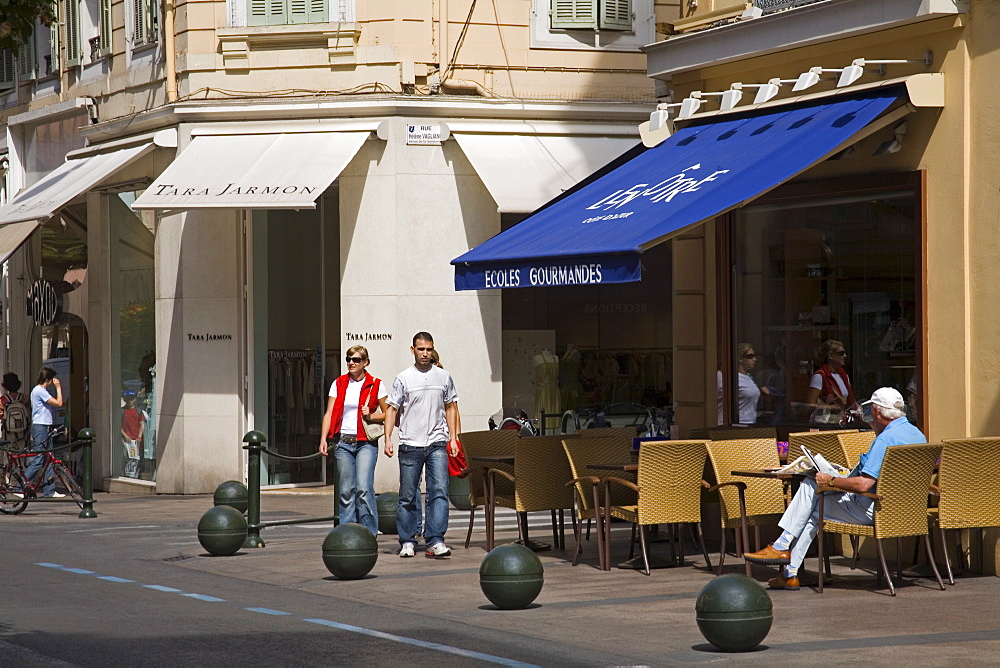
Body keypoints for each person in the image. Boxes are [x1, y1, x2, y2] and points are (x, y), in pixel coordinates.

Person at [743, 387, 926, 590]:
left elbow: (863, 484)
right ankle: (788, 570)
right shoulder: (917, 434)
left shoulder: (885, 439)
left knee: (811, 495)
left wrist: (831, 481)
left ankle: (783, 552)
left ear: (876, 411)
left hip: (874, 509)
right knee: (813, 501)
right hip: (905, 512)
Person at [384, 332, 461, 559]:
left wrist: (454, 438)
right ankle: (407, 540)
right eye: (420, 349)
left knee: (438, 492)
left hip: (437, 442)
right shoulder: (403, 378)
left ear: (433, 348)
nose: (425, 354)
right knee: (408, 495)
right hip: (410, 443)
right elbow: (391, 409)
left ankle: (435, 539)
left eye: (428, 349)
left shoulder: (444, 376)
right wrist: (388, 438)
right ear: (412, 350)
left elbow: (451, 408)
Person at [318, 345, 388, 536]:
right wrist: (324, 438)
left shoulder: (375, 384)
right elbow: (329, 412)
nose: (351, 363)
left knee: (364, 488)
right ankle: (347, 532)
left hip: (366, 443)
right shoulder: (339, 383)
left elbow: (389, 413)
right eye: (349, 359)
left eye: (356, 360)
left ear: (366, 362)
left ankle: (368, 532)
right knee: (346, 490)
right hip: (343, 443)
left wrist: (372, 415)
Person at [23, 367, 65, 498]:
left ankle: (50, 490)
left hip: (44, 426)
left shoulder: (39, 391)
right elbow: (59, 403)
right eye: (52, 380)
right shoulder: (40, 391)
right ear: (47, 379)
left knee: (49, 458)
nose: (52, 383)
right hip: (40, 427)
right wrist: (58, 388)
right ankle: (21, 485)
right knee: (39, 458)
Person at [805, 339, 855, 423]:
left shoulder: (844, 376)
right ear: (831, 356)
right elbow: (809, 405)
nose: (845, 356)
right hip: (827, 422)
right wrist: (832, 407)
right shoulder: (819, 376)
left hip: (844, 421)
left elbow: (850, 401)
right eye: (841, 353)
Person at [735, 343, 769, 424]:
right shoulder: (735, 379)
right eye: (750, 356)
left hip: (751, 422)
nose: (754, 359)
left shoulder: (749, 377)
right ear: (740, 359)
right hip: (739, 423)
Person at [121, 390, 146, 478]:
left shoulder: (138, 411)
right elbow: (118, 426)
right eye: (128, 399)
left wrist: (139, 436)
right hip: (125, 440)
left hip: (135, 441)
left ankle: (133, 475)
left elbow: (141, 425)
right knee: (126, 458)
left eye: (132, 399)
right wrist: (125, 435)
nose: (130, 401)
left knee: (135, 459)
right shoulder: (122, 411)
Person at [0, 372, 30, 446]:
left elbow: (0, 415)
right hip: (23, 430)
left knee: (9, 451)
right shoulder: (24, 398)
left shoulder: (2, 400)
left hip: (8, 431)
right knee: (22, 450)